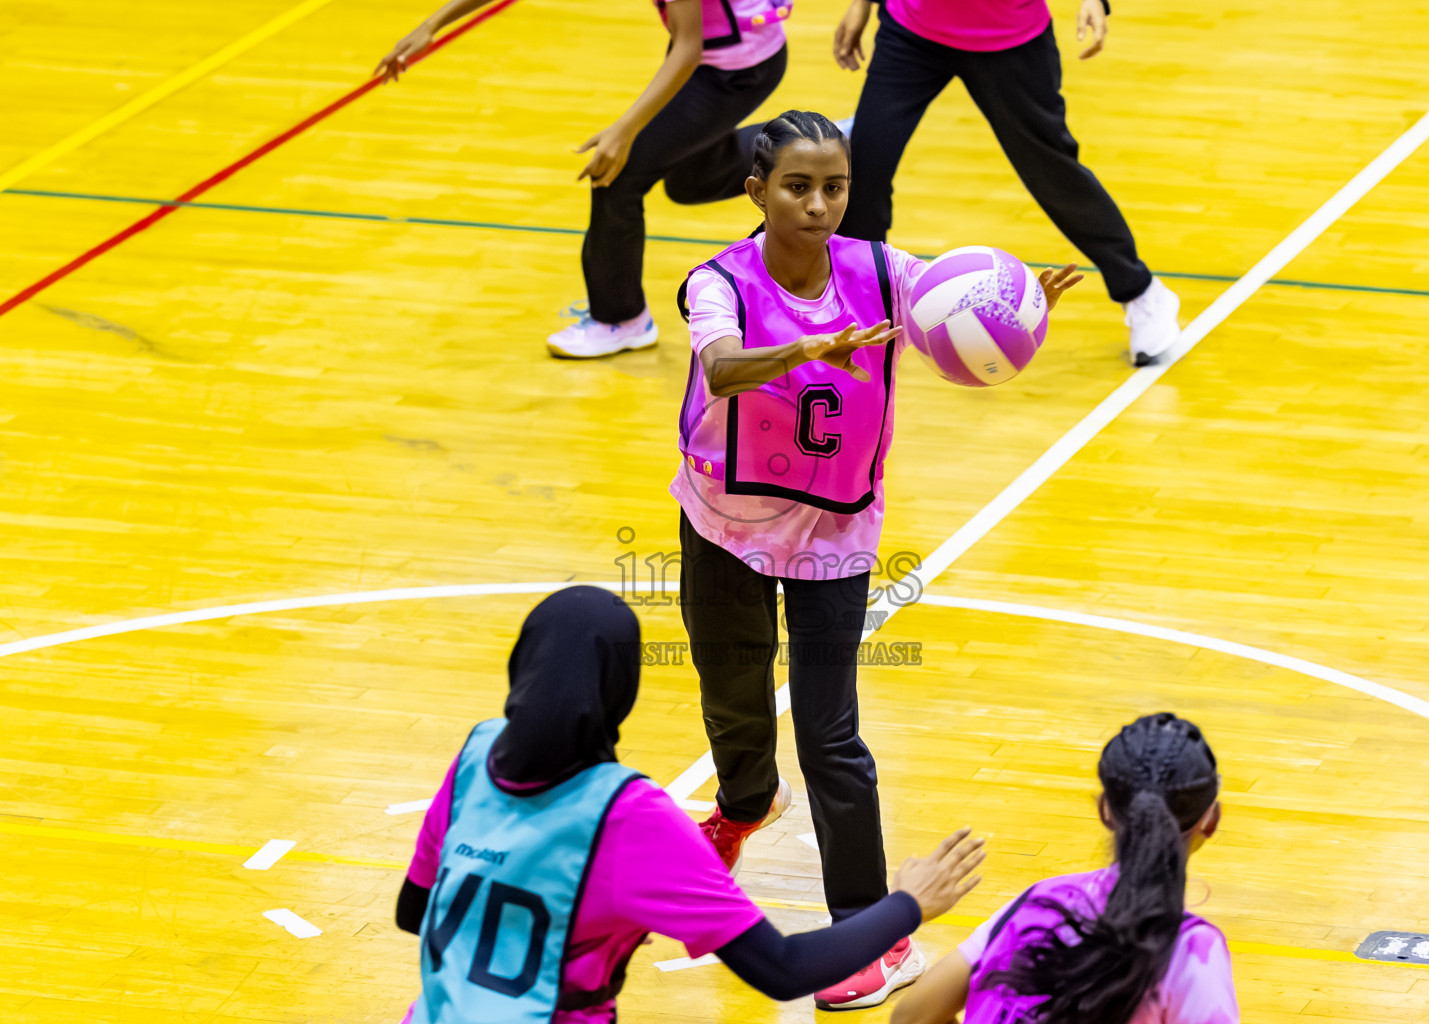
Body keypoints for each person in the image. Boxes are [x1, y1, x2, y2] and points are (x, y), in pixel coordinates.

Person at [671, 110, 1081, 1010]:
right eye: (798, 188)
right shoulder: (718, 284)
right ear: (756, 192)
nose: (820, 206)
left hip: (833, 537)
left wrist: (1015, 304)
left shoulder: (885, 274)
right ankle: (744, 807)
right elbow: (725, 367)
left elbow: (959, 298)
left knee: (831, 736)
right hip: (723, 526)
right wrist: (808, 347)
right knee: (730, 697)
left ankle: (872, 934)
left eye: (835, 188)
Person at [392, 586, 987, 1022]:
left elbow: (413, 911)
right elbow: (782, 970)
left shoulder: (476, 752)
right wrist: (908, 904)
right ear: (618, 690)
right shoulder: (628, 816)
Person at [373, 0, 791, 360]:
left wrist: (623, 131)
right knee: (688, 181)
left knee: (618, 171)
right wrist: (432, 24)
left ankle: (621, 318)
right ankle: (803, 143)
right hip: (727, 54)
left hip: (732, 71)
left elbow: (687, 48)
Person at [830, 0, 1182, 366]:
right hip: (912, 28)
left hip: (1009, 38)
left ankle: (1141, 292)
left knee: (1053, 173)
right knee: (864, 169)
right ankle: (865, 314)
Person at [890, 712, 1241, 1024]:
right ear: (1211, 820)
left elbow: (911, 1017)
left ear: (1106, 810)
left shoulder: (1040, 902)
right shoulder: (1192, 952)